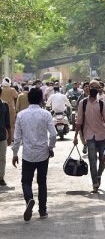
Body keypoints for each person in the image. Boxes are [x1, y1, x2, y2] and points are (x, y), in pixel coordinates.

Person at [12, 88, 57, 221]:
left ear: (28, 99)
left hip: (28, 154)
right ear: (40, 99)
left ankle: (29, 199)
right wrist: (50, 147)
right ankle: (42, 211)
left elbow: (17, 137)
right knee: (42, 181)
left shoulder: (21, 115)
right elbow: (53, 134)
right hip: (43, 153)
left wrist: (15, 153)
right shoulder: (46, 114)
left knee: (26, 181)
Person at [73, 80, 105, 193]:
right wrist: (76, 136)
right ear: (88, 88)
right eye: (92, 87)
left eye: (96, 87)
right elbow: (79, 121)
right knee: (92, 161)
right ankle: (95, 183)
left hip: (102, 135)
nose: (94, 89)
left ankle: (99, 175)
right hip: (89, 136)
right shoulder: (83, 103)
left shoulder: (101, 104)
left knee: (103, 160)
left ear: (99, 89)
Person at [0, 87, 12, 186]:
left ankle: (1, 178)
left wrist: (10, 136)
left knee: (2, 158)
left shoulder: (4, 105)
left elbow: (8, 123)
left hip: (2, 136)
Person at [77, 81, 90, 154]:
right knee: (81, 133)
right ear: (83, 88)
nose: (87, 88)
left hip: (92, 119)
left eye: (88, 86)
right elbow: (77, 107)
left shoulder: (94, 96)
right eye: (85, 86)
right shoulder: (81, 97)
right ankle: (85, 144)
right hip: (82, 118)